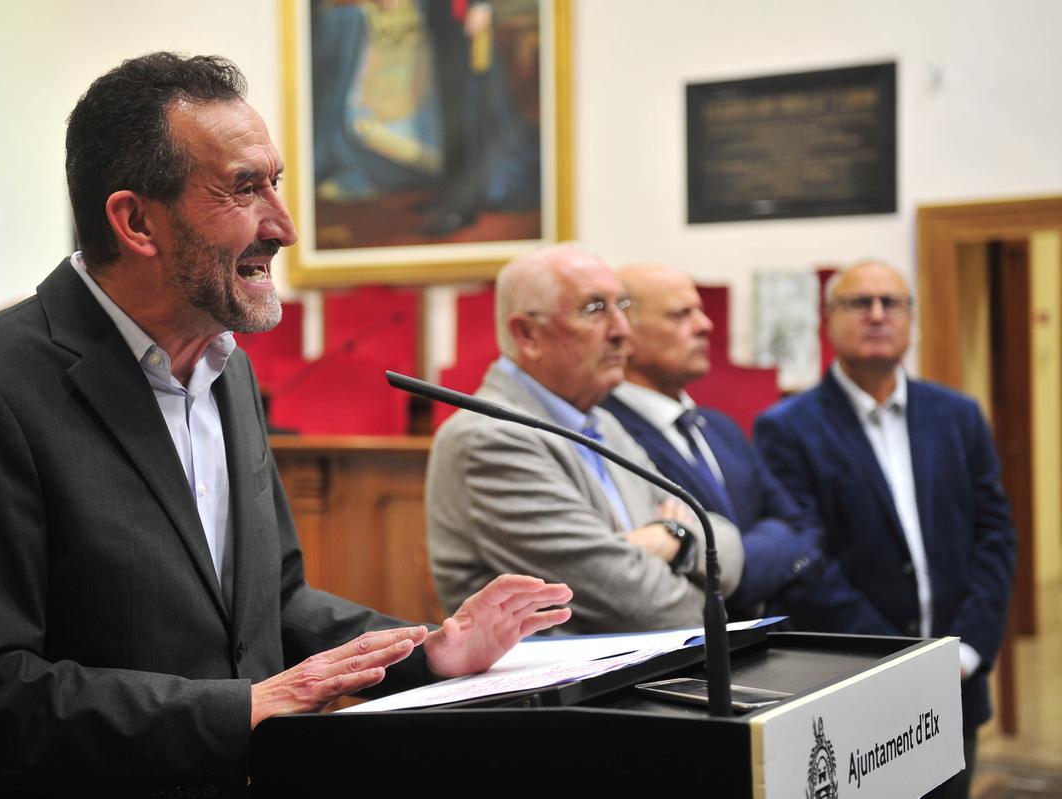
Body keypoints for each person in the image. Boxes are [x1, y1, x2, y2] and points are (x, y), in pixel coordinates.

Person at [0, 52, 572, 799]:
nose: (285, 226)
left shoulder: (224, 364)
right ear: (136, 221)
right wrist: (237, 709)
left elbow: (274, 605)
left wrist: (429, 650)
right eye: (246, 189)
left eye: (274, 182)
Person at [753, 260, 1016, 797]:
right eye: (858, 303)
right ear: (829, 320)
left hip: (955, 683)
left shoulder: (958, 415)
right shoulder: (786, 428)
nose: (877, 315)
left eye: (891, 302)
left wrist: (964, 650)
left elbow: (995, 535)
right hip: (849, 685)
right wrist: (898, 662)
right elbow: (807, 562)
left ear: (911, 318)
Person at [426, 244, 743, 633]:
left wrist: (673, 537)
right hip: (557, 691)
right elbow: (639, 606)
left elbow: (724, 540)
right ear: (527, 333)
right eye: (594, 309)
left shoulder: (603, 423)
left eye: (622, 306)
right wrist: (691, 560)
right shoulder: (487, 438)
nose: (622, 331)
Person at [600, 264, 821, 616]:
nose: (705, 325)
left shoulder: (721, 428)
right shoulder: (605, 435)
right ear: (626, 333)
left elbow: (801, 530)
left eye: (700, 310)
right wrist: (765, 554)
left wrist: (729, 569)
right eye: (680, 314)